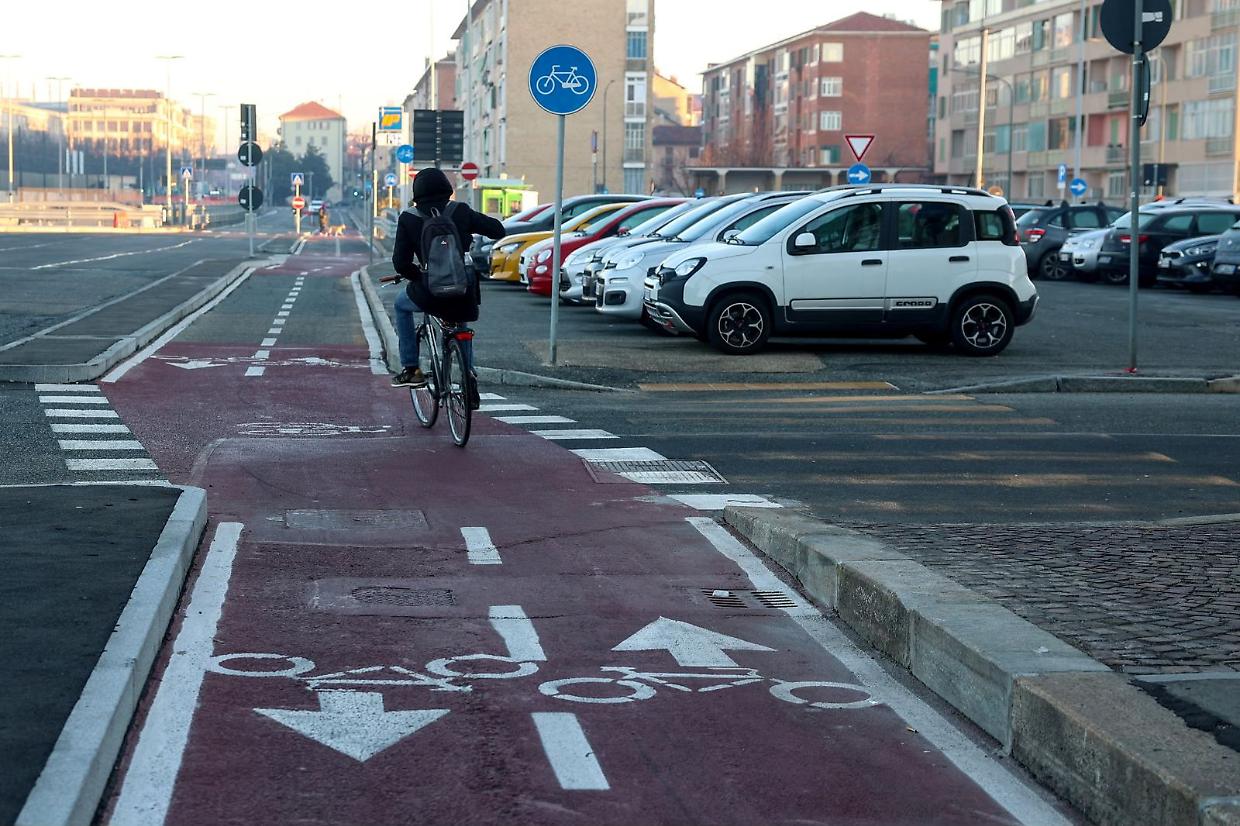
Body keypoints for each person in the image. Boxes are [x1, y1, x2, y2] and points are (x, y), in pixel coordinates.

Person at [389, 167, 506, 396]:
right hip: (463, 288)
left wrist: (420, 276)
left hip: (429, 291)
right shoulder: (460, 210)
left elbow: (400, 264)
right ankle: (468, 376)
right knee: (460, 323)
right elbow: (498, 230)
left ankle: (411, 369)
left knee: (401, 305)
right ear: (446, 187)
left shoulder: (409, 218)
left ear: (416, 191)